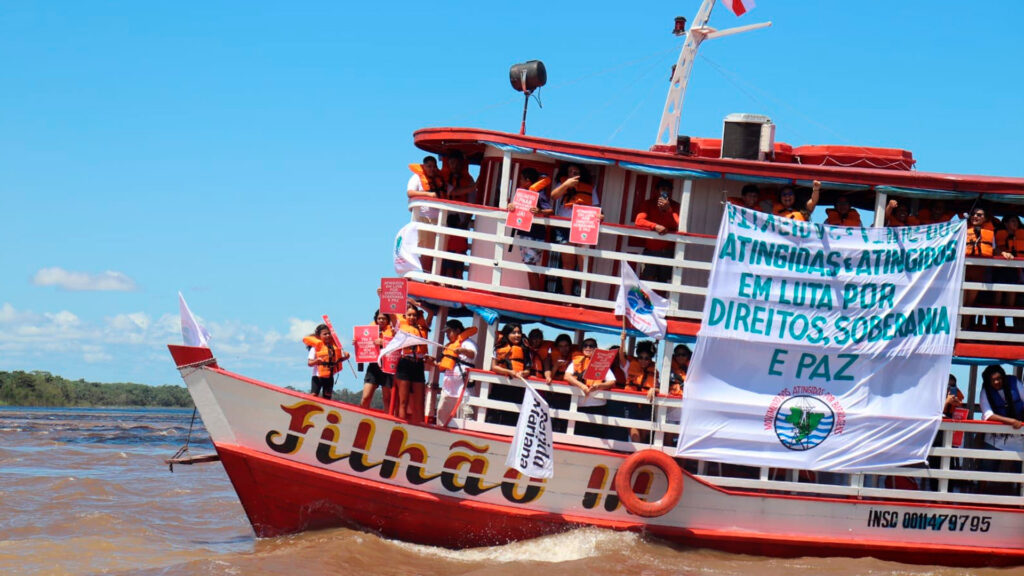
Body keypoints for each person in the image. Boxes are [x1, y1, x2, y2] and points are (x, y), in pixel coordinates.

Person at [550, 163, 600, 296]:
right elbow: (554, 196)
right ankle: (567, 297)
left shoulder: (590, 187)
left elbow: (596, 206)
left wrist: (600, 215)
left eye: (575, 171)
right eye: (570, 170)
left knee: (583, 263)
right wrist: (566, 184)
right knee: (568, 264)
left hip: (583, 226)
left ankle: (582, 298)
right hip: (564, 227)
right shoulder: (562, 184)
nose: (573, 173)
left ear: (581, 173)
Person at [509, 167, 553, 292]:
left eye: (522, 179)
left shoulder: (538, 193)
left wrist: (539, 211)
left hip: (535, 233)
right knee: (528, 264)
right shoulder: (523, 194)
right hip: (524, 231)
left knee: (531, 264)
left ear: (528, 181)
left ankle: (535, 292)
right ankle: (532, 291)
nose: (520, 182)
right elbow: (517, 209)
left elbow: (550, 210)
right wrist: (511, 206)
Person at [564, 337, 617, 439]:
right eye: (585, 345)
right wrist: (582, 386)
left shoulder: (602, 363)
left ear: (596, 349)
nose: (588, 348)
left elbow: (612, 381)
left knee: (596, 437)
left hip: (598, 406)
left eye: (591, 346)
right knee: (578, 437)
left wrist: (599, 386)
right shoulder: (576, 362)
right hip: (580, 406)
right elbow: (567, 376)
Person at [429, 319, 477, 426]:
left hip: (463, 390)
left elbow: (472, 354)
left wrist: (462, 350)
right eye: (446, 332)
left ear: (457, 330)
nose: (447, 335)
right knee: (441, 414)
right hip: (448, 389)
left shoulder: (468, 343)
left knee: (465, 417)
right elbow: (444, 364)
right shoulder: (449, 345)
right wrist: (434, 363)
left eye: (449, 331)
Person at [634, 179, 681, 283]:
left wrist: (668, 210)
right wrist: (655, 226)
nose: (666, 192)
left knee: (663, 283)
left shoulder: (675, 206)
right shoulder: (648, 204)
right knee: (647, 282)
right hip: (651, 249)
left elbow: (678, 225)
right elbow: (638, 221)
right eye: (663, 189)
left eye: (668, 190)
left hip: (667, 251)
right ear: (657, 190)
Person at [394, 302, 433, 423]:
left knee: (419, 401)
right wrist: (382, 296)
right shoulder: (401, 326)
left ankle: (420, 427)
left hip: (418, 364)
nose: (412, 317)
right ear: (405, 316)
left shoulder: (423, 327)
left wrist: (416, 304)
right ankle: (400, 424)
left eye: (414, 315)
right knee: (403, 401)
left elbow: (431, 312)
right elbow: (390, 311)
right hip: (405, 363)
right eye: (409, 315)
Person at [617, 331, 658, 442]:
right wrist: (622, 340)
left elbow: (659, 387)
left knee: (644, 437)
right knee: (635, 436)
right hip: (631, 405)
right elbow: (621, 356)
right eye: (640, 357)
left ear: (650, 359)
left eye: (646, 358)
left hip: (646, 406)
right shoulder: (629, 366)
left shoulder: (655, 372)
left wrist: (654, 389)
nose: (643, 361)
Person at [488, 323, 533, 425]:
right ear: (507, 334)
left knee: (512, 419)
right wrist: (509, 372)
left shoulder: (525, 349)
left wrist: (522, 373)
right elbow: (494, 367)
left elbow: (528, 370)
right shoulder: (498, 348)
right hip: (500, 387)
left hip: (516, 389)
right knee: (494, 415)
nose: (517, 335)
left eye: (519, 333)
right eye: (514, 333)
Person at [963, 207, 996, 330]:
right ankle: (957, 332)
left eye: (979, 215)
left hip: (978, 272)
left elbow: (994, 248)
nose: (975, 216)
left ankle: (964, 330)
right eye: (973, 214)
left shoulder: (990, 234)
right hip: (963, 271)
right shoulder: (962, 230)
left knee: (969, 304)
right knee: (960, 302)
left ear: (985, 218)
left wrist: (1004, 253)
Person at [358, 310, 394, 411]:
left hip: (387, 366)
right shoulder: (370, 331)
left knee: (387, 399)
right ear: (376, 319)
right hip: (373, 366)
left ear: (388, 320)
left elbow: (397, 345)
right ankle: (361, 416)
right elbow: (362, 345)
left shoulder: (393, 331)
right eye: (379, 318)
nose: (381, 320)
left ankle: (389, 422)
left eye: (384, 318)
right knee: (365, 397)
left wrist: (384, 342)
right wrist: (357, 342)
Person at [304, 323, 350, 400]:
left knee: (327, 398)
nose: (328, 335)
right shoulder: (315, 348)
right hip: (317, 376)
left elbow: (337, 361)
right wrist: (317, 361)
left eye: (329, 333)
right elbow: (309, 363)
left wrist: (345, 357)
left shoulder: (333, 348)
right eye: (325, 334)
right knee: (314, 395)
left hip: (329, 376)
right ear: (319, 336)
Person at [993, 214, 1023, 331]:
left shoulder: (1021, 235)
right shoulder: (998, 234)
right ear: (1005, 224)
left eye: (1016, 221)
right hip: (1000, 268)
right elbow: (994, 248)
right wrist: (1003, 253)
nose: (1015, 223)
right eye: (1012, 221)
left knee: (1012, 293)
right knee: (999, 293)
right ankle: (999, 321)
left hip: (1016, 269)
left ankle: (1007, 320)